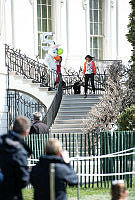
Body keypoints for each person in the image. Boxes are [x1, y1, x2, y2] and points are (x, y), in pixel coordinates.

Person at [0, 116, 32, 200]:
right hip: (11, 193)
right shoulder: (19, 151)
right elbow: (23, 180)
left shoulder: (2, 141)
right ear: (27, 132)